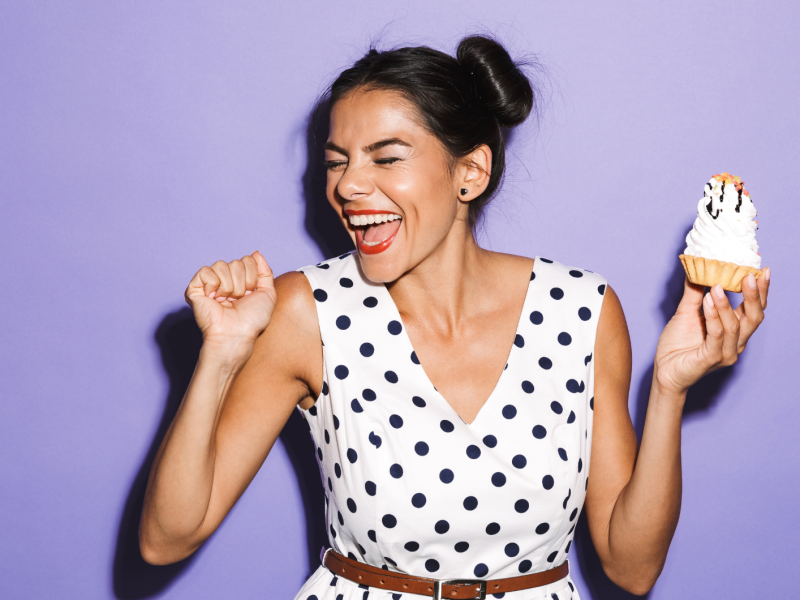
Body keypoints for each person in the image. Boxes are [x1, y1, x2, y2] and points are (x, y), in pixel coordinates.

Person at [139, 36, 770, 599]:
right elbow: (167, 539)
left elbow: (633, 569)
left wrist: (667, 390)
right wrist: (221, 352)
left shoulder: (582, 311)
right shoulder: (306, 311)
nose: (349, 186)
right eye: (337, 161)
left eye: (386, 158)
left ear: (469, 172)